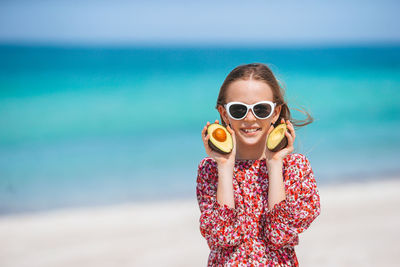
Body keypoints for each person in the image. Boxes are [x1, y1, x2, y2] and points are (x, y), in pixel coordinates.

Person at [196, 63, 321, 266]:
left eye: (261, 109)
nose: (250, 118)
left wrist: (274, 163)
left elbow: (279, 234)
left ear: (275, 112)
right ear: (224, 113)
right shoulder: (210, 170)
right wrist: (225, 165)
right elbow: (223, 236)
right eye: (238, 110)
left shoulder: (295, 168)